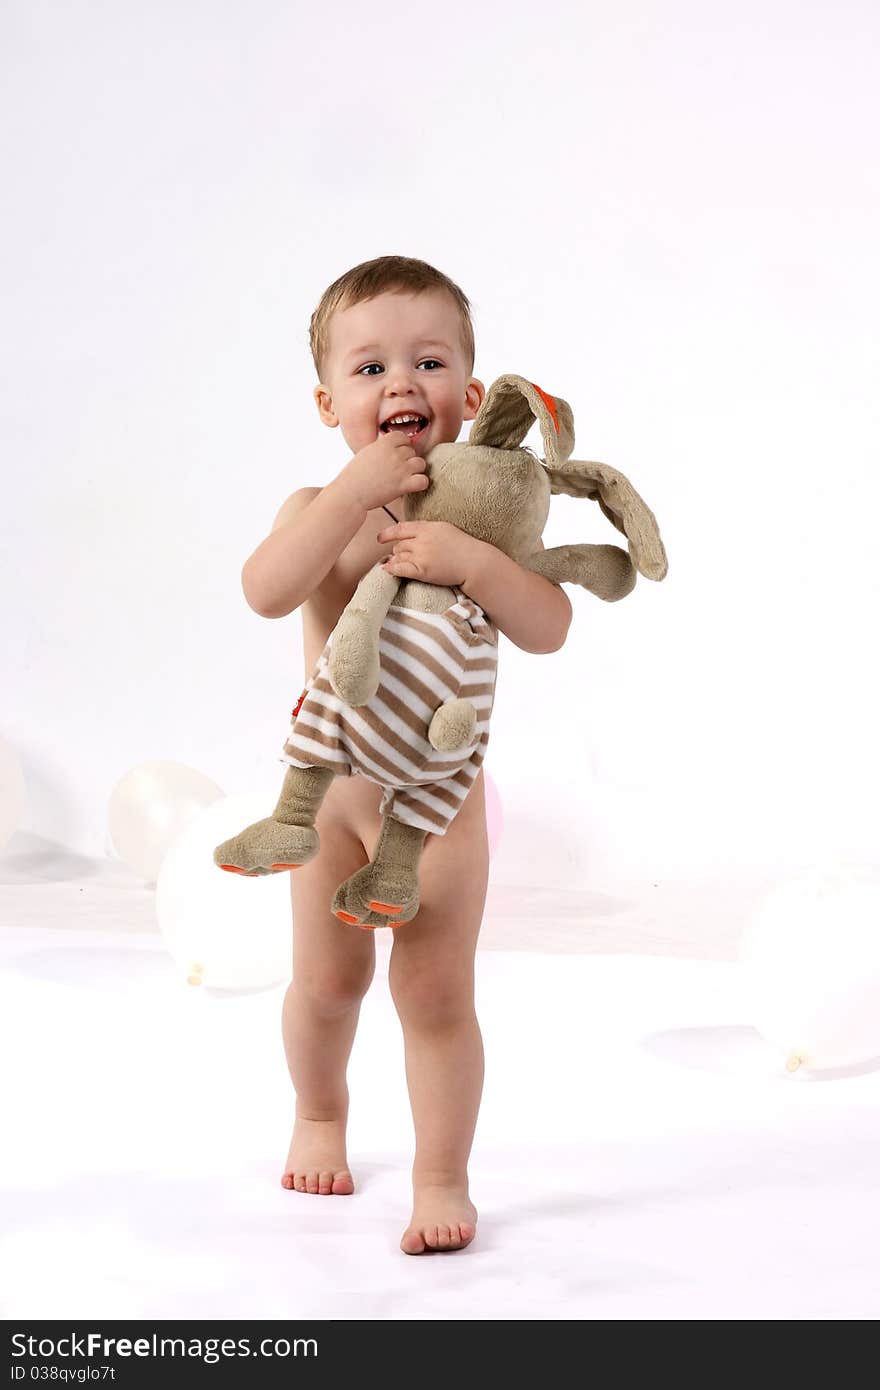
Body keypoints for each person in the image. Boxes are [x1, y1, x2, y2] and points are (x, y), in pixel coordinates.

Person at [240, 255, 572, 1254]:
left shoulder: (484, 517)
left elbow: (549, 624)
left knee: (433, 995)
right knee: (327, 983)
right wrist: (350, 496)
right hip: (334, 805)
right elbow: (267, 589)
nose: (399, 385)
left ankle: (440, 1173)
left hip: (438, 810)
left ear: (469, 395)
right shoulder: (317, 504)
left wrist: (473, 563)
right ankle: (321, 1111)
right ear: (327, 400)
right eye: (369, 367)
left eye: (427, 362)